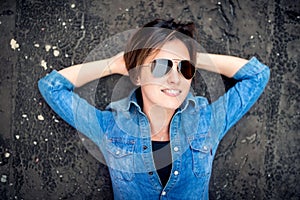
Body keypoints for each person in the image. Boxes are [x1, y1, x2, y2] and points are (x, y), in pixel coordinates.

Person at [38, 19, 270, 200]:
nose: (174, 78)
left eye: (185, 68)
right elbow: (52, 87)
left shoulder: (206, 122)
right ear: (138, 75)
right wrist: (113, 65)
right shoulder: (110, 128)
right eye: (161, 66)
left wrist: (194, 57)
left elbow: (257, 75)